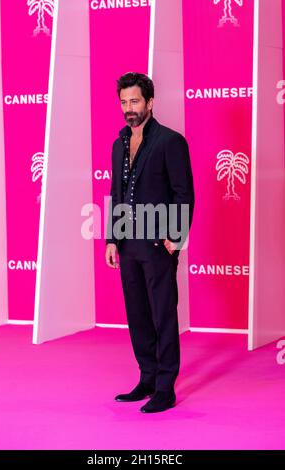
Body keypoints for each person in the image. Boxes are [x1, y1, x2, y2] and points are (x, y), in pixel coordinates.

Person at [105, 72, 194, 413]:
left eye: (135, 101)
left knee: (162, 314)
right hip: (128, 244)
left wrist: (176, 236)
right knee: (138, 314)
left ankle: (165, 387)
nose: (129, 108)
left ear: (150, 102)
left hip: (158, 244)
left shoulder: (170, 141)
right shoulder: (119, 144)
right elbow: (116, 194)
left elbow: (183, 192)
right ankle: (146, 378)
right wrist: (112, 239)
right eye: (124, 102)